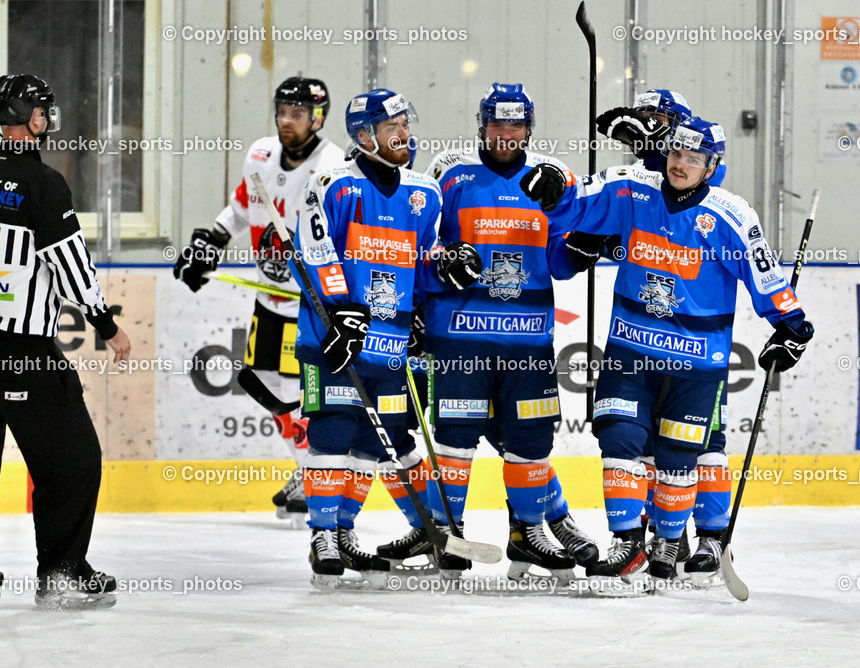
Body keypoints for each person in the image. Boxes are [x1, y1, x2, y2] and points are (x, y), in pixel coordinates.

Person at [522, 116, 814, 580]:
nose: (680, 165)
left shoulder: (730, 215)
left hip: (696, 365)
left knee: (679, 457)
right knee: (618, 435)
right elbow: (578, 205)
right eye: (676, 153)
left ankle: (669, 542)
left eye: (693, 159)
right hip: (630, 353)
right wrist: (557, 189)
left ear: (711, 165)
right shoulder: (634, 191)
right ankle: (627, 544)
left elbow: (766, 278)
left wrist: (791, 326)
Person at [376, 84, 599, 581]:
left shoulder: (554, 176)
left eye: (515, 125)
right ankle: (446, 531)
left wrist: (580, 252)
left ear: (529, 127)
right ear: (482, 125)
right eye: (497, 124)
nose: (506, 134)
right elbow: (414, 245)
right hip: (459, 336)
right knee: (454, 441)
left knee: (531, 441)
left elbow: (559, 260)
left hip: (528, 339)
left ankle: (528, 533)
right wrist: (433, 273)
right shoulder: (449, 173)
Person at [0, 74, 131, 610]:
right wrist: (106, 326)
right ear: (33, 118)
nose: (49, 116)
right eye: (44, 109)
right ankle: (63, 573)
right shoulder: (44, 185)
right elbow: (70, 267)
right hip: (24, 354)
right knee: (73, 460)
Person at [290, 88, 481, 588]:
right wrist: (341, 311)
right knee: (332, 431)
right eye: (391, 126)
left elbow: (420, 258)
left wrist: (445, 267)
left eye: (405, 124)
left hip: (390, 343)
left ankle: (383, 530)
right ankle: (323, 535)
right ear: (363, 135)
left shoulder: (425, 192)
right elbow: (311, 251)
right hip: (333, 339)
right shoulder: (332, 184)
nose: (404, 134)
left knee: (383, 442)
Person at [173, 77, 343, 525]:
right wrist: (209, 242)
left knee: (297, 393)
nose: (287, 120)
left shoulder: (333, 165)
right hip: (269, 299)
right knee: (267, 389)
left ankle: (316, 473)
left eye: (298, 113)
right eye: (283, 111)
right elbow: (241, 210)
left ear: (318, 118)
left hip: (308, 305)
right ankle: (306, 470)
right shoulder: (261, 155)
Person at [596, 90, 731, 576]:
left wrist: (656, 150)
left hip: (696, 342)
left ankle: (714, 536)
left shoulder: (701, 167)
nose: (649, 125)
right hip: (646, 337)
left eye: (659, 119)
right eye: (644, 118)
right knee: (645, 443)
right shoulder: (645, 181)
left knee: (704, 442)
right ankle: (662, 535)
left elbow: (699, 193)